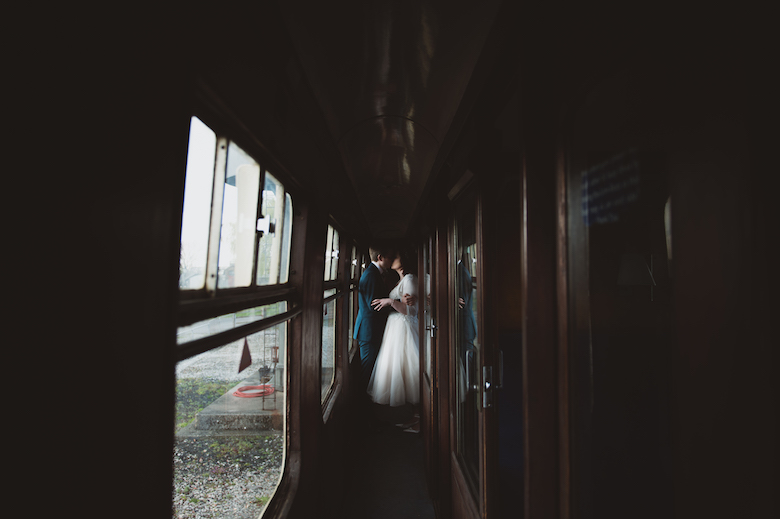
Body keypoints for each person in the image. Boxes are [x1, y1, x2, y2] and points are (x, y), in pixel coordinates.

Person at [366, 249, 420, 419]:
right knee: (402, 373)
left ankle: (418, 418)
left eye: (395, 256)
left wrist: (390, 301)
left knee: (409, 372)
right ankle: (413, 417)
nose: (391, 259)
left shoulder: (410, 279)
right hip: (396, 330)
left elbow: (410, 310)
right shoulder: (402, 280)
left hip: (404, 330)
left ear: (403, 259)